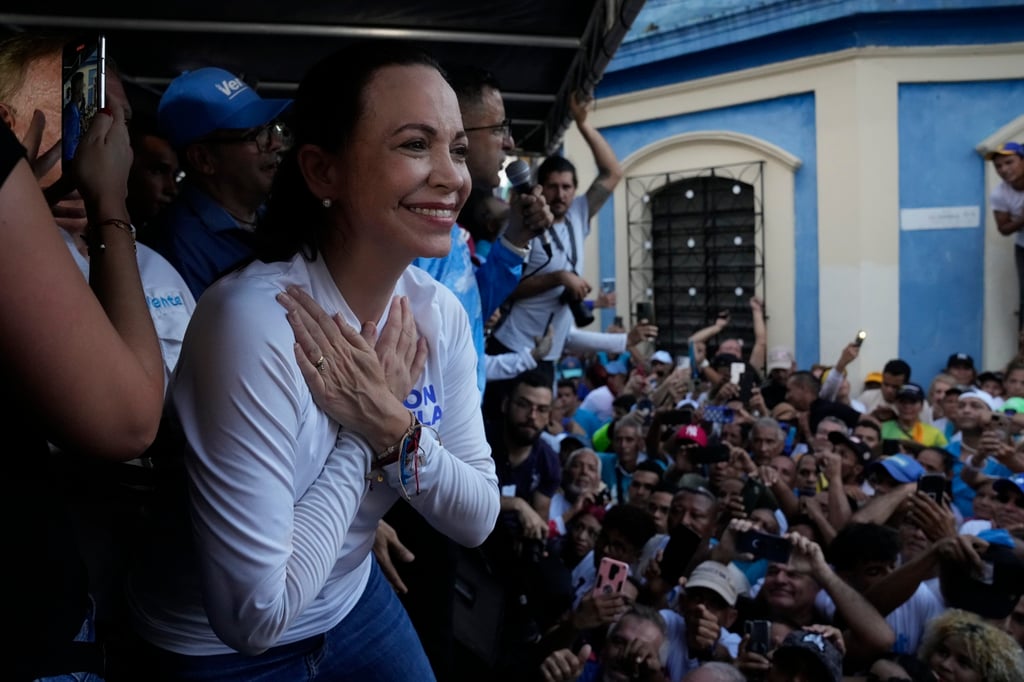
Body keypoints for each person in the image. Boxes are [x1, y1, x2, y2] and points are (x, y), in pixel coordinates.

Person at [124, 43, 499, 681]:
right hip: (220, 654)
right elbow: (252, 617)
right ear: (323, 171)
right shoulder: (254, 324)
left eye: (458, 149)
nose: (451, 176)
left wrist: (390, 428)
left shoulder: (436, 314)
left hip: (351, 600)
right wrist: (366, 440)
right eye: (415, 145)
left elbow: (477, 516)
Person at [0, 64, 166, 682]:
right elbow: (126, 419)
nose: (106, 139)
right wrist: (109, 206)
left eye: (116, 122)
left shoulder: (158, 269)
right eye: (87, 114)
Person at [487, 87, 624, 381]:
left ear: (575, 190)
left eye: (567, 187)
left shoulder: (579, 213)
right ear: (540, 187)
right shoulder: (522, 223)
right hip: (512, 342)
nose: (560, 194)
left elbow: (612, 173)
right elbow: (505, 288)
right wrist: (560, 278)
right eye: (552, 186)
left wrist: (583, 123)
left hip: (551, 350)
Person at [144, 66, 292, 298]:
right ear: (203, 159)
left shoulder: (280, 218)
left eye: (271, 129)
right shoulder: (176, 248)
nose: (275, 143)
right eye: (254, 135)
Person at [986, 142, 1024, 330]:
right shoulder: (1000, 194)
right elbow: (1003, 228)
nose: (1004, 169)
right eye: (998, 166)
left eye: (1009, 162)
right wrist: (1022, 220)